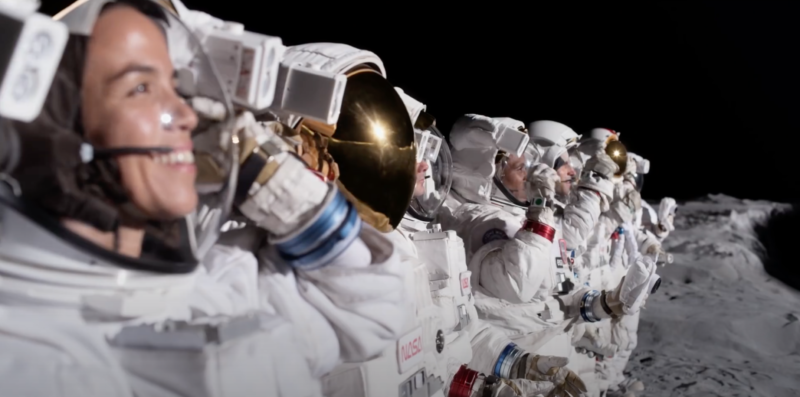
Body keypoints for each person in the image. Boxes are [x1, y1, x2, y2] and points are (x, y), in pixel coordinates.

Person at [0, 1, 316, 395]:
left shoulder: (204, 295)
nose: (186, 114)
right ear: (56, 135)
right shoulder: (32, 368)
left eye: (175, 84)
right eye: (141, 88)